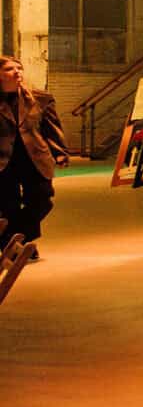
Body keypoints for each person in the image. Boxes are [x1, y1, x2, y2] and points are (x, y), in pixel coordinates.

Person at [0, 54, 70, 259]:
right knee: (8, 205)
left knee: (43, 199)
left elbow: (52, 128)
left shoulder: (40, 98)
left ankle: (15, 240)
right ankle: (19, 248)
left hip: (34, 158)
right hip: (4, 161)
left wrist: (60, 152)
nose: (17, 72)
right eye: (10, 69)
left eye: (19, 68)